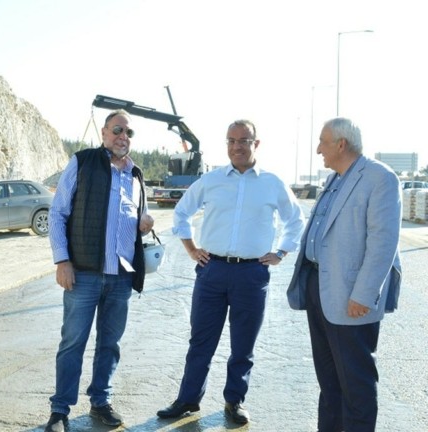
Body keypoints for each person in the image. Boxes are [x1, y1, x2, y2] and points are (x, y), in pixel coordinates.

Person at [157, 119, 304, 424]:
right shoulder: (211, 181)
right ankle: (188, 399)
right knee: (201, 341)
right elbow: (182, 212)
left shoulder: (272, 183)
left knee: (243, 344)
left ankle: (234, 401)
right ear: (226, 144)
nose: (237, 146)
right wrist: (191, 249)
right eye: (231, 141)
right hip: (212, 271)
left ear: (256, 144)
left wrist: (280, 252)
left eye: (244, 140)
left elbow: (295, 220)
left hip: (252, 275)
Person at [286, 117, 401, 432]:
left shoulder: (380, 178)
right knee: (329, 381)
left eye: (322, 141)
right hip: (319, 288)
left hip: (351, 295)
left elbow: (383, 242)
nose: (318, 149)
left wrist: (364, 294)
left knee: (356, 384)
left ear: (341, 144)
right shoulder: (335, 179)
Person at [44, 109, 155, 432]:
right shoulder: (83, 162)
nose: (123, 137)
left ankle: (100, 402)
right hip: (84, 273)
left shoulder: (136, 175)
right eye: (117, 130)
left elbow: (138, 220)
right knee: (72, 342)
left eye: (129, 133)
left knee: (110, 343)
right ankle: (60, 410)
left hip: (121, 275)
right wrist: (62, 261)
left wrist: (144, 224)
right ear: (104, 133)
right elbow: (58, 214)